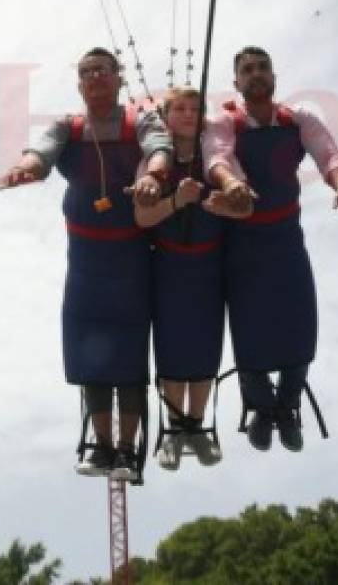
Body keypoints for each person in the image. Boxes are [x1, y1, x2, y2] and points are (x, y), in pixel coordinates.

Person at [0, 47, 171, 481]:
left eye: (102, 70)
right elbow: (41, 153)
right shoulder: (68, 128)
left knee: (130, 354)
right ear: (79, 84)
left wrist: (152, 173)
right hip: (86, 259)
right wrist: (26, 168)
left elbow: (159, 147)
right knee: (89, 350)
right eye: (86, 72)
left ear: (118, 77)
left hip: (131, 256)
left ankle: (129, 451)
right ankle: (100, 444)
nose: (95, 78)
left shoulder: (141, 120)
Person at [204, 46, 338, 452]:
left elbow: (328, 152)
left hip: (286, 237)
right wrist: (232, 183)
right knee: (248, 328)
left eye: (262, 68)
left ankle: (288, 405)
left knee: (300, 323)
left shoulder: (299, 119)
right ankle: (260, 407)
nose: (256, 75)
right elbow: (217, 156)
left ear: (274, 76)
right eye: (247, 70)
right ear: (236, 82)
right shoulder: (225, 122)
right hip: (241, 239)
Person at [132, 87, 249, 470]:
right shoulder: (153, 162)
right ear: (166, 116)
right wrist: (176, 202)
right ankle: (173, 429)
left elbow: (245, 208)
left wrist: (224, 206)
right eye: (179, 108)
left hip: (208, 265)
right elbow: (142, 218)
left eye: (195, 108)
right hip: (168, 266)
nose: (187, 114)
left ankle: (197, 426)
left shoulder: (218, 158)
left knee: (204, 345)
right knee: (170, 348)